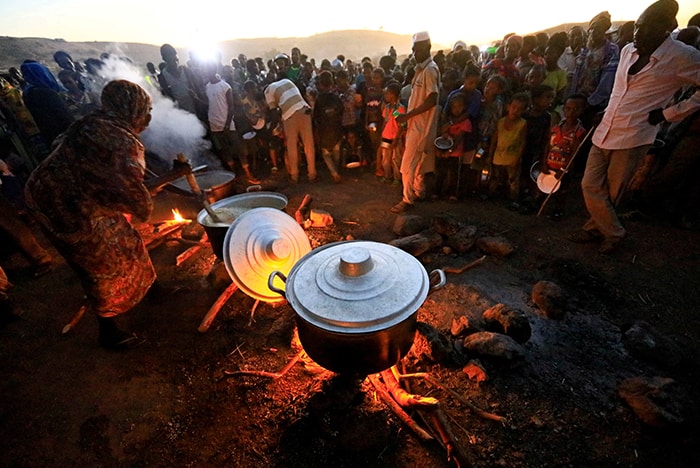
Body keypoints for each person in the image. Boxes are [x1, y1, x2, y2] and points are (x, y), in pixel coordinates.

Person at [24, 80, 180, 350]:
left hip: (70, 193)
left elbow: (116, 179)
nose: (149, 117)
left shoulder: (97, 121)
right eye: (146, 110)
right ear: (133, 109)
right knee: (99, 265)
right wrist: (175, 175)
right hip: (65, 208)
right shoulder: (120, 143)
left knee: (129, 241)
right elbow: (134, 194)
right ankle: (108, 331)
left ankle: (154, 291)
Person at [568, 0, 700, 254]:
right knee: (589, 183)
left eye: (647, 27)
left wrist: (669, 113)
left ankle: (601, 231)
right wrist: (606, 110)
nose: (638, 33)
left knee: (614, 190)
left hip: (636, 133)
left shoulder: (682, 56)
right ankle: (614, 231)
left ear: (665, 28)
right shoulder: (628, 50)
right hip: (607, 126)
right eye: (638, 26)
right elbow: (620, 91)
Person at [391, 31, 440, 213]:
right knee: (418, 163)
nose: (414, 53)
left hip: (421, 126)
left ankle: (407, 199)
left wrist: (408, 115)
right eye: (413, 49)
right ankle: (419, 192)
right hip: (416, 125)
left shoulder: (430, 70)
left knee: (407, 165)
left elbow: (432, 98)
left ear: (427, 47)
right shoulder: (422, 70)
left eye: (417, 50)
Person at [204, 62, 260, 184]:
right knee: (225, 151)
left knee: (239, 149)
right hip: (215, 125)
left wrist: (227, 124)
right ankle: (234, 176)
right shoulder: (207, 87)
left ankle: (248, 175)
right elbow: (210, 105)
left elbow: (231, 107)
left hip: (227, 124)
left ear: (214, 70)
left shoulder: (225, 86)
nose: (207, 72)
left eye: (209, 70)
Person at [539, 93, 588, 218]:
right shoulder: (557, 127)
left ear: (582, 110)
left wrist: (564, 169)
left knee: (562, 190)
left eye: (576, 109)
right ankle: (540, 204)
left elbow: (575, 152)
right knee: (545, 185)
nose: (571, 112)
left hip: (564, 167)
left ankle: (558, 210)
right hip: (550, 162)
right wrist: (544, 162)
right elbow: (547, 145)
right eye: (568, 108)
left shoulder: (579, 131)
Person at [264, 77, 316, 184]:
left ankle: (294, 176)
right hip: (305, 110)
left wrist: (269, 131)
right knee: (308, 144)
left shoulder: (268, 91)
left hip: (290, 116)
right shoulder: (287, 81)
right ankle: (312, 174)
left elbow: (274, 114)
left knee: (291, 146)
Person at [19, 61, 74, 149]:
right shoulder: (47, 93)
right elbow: (65, 116)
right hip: (66, 135)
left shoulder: (28, 93)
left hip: (50, 137)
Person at [487, 92, 529, 204]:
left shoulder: (522, 124)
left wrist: (517, 158)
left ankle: (513, 199)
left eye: (519, 109)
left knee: (513, 180)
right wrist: (490, 155)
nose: (515, 110)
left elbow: (522, 142)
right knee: (495, 177)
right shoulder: (500, 122)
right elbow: (494, 140)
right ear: (508, 107)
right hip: (498, 154)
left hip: (512, 156)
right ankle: (492, 195)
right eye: (514, 107)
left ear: (523, 111)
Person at [436, 93, 472, 200]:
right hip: (443, 148)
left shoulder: (466, 122)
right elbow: (441, 131)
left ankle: (452, 193)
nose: (457, 109)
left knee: (454, 174)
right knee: (441, 171)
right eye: (454, 106)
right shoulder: (447, 119)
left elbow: (459, 138)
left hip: (456, 152)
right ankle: (437, 191)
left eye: (459, 106)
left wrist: (450, 150)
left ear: (464, 107)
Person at [312, 70, 344, 182]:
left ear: (320, 84)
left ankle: (334, 173)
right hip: (336, 129)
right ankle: (337, 170)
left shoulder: (319, 100)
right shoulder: (336, 98)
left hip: (324, 131)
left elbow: (316, 117)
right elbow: (341, 113)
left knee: (326, 154)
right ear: (332, 83)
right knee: (336, 152)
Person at [379, 81, 406, 185]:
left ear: (393, 95)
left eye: (387, 93)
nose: (385, 95)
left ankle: (396, 178)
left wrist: (396, 139)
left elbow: (401, 125)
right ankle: (387, 176)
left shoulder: (399, 109)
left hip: (395, 137)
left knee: (396, 159)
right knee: (385, 158)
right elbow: (385, 121)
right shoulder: (386, 108)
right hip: (386, 136)